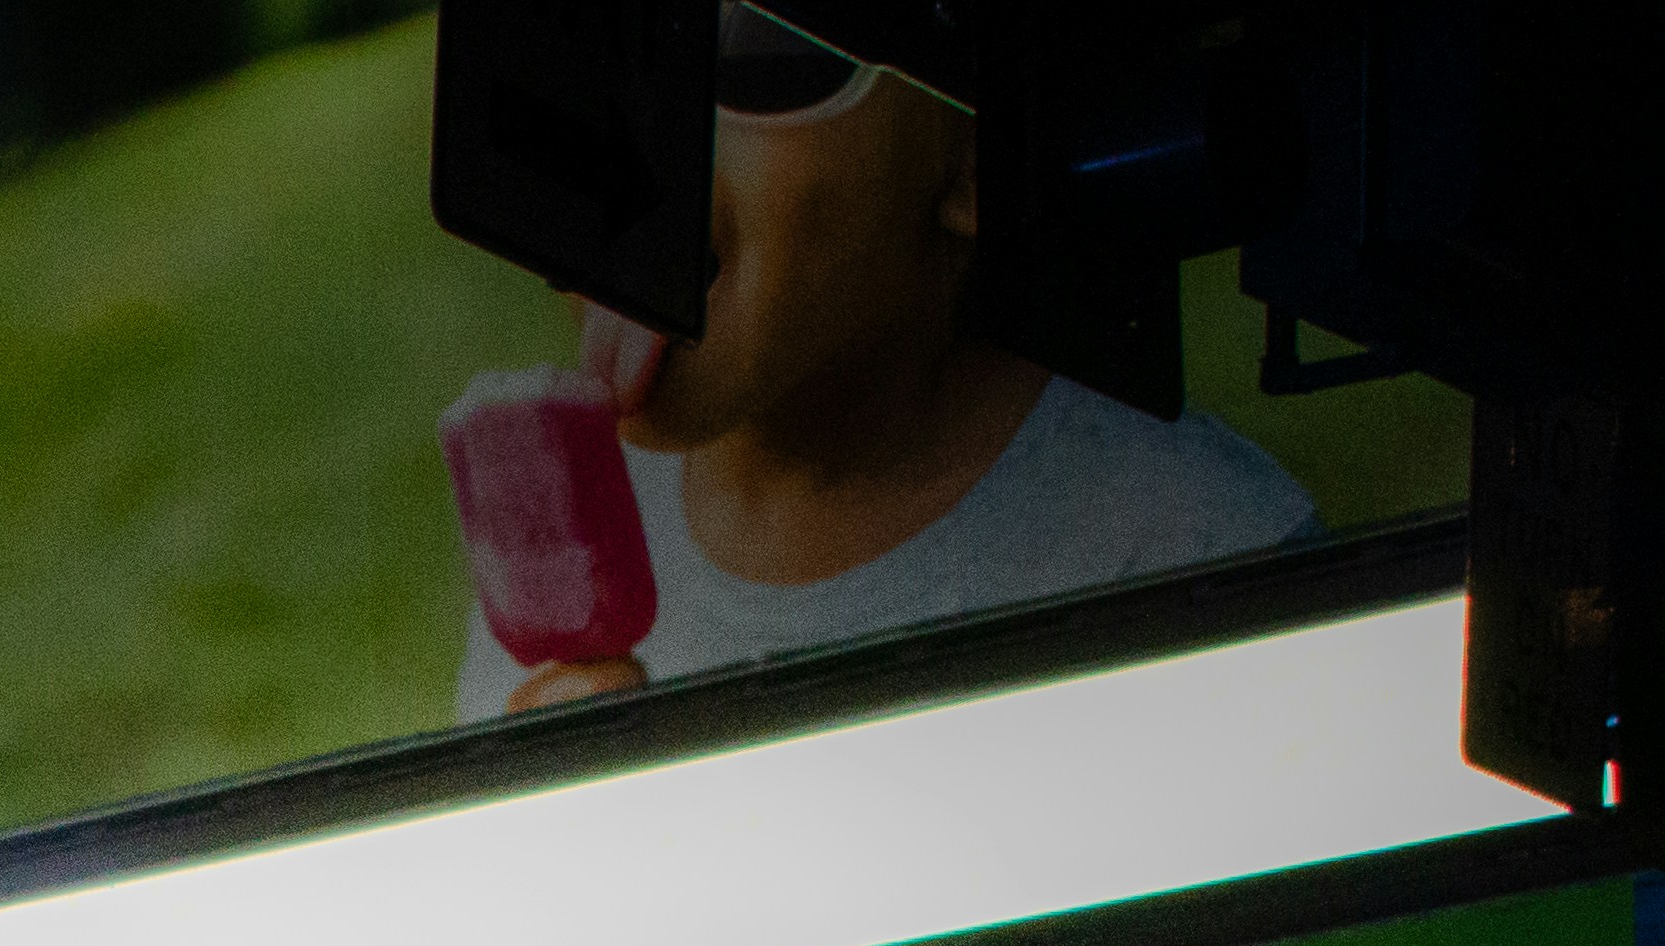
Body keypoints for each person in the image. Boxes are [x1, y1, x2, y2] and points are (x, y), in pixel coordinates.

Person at [460, 8, 1312, 722]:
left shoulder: (1198, 558)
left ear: (978, 156)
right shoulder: (568, 564)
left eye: (759, 47)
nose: (629, 126)